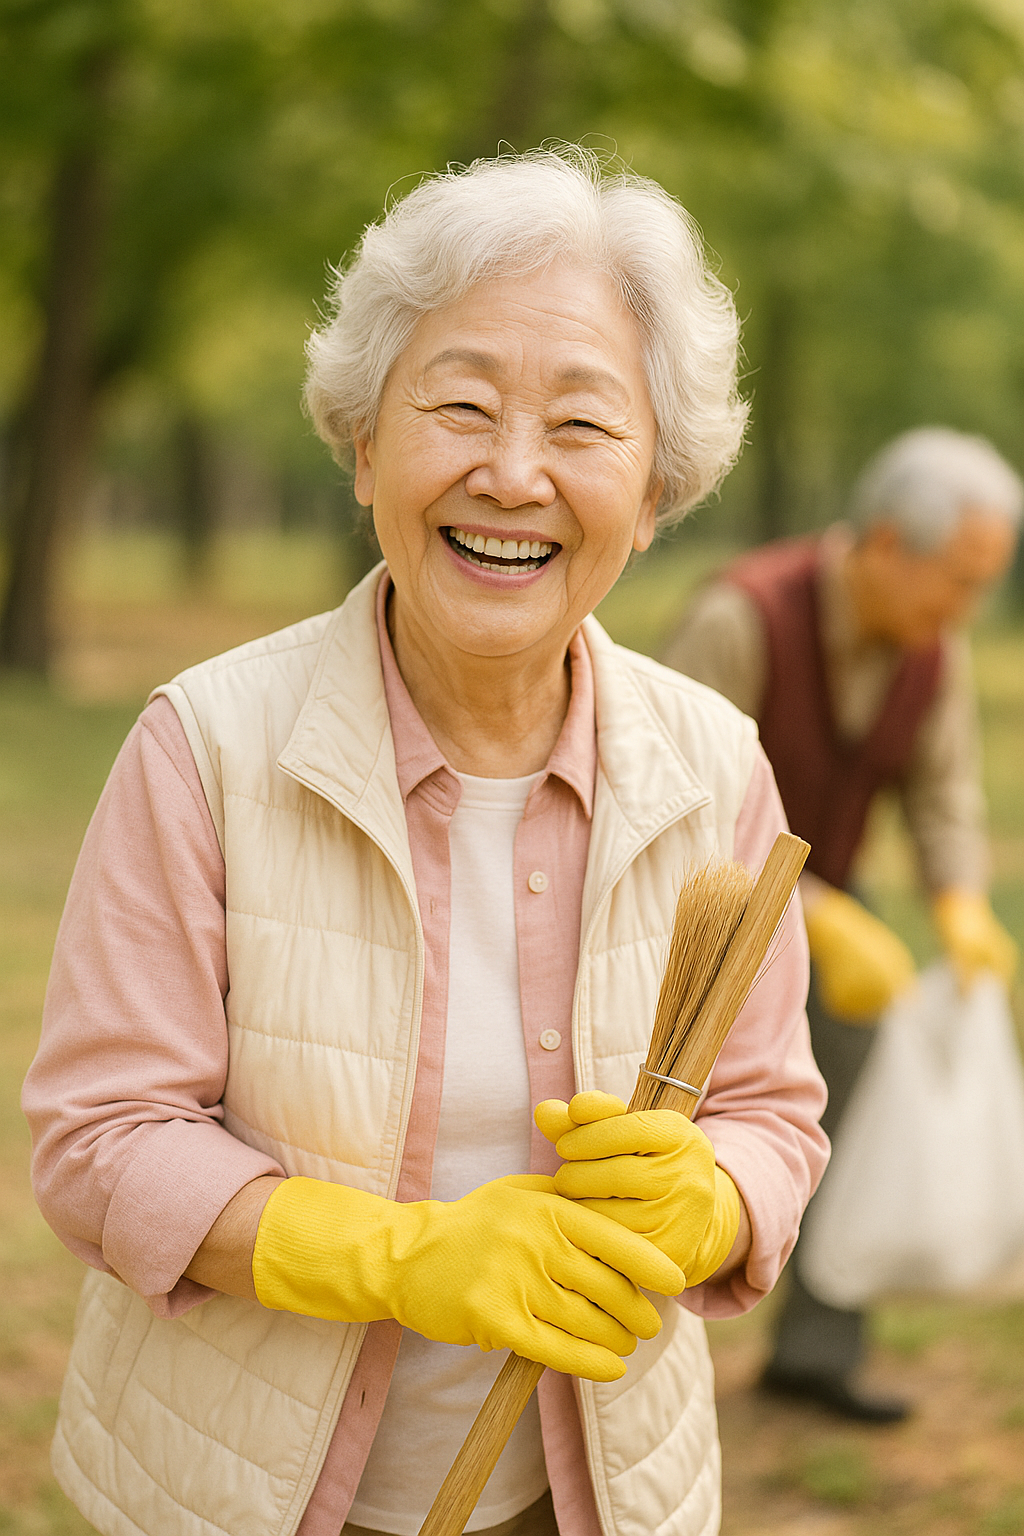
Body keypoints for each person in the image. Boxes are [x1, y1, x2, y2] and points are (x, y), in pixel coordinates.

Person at [23, 148, 828, 1536]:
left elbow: (774, 1116)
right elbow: (102, 1143)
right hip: (232, 1497)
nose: (511, 474)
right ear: (363, 444)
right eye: (458, 405)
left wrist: (713, 1200)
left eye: (581, 426)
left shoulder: (716, 766)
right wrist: (402, 1256)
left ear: (654, 495)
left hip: (585, 1498)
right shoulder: (204, 746)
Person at [661, 426, 1022, 1424]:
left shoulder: (928, 652)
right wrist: (806, 910)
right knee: (676, 1125)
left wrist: (958, 901)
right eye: (955, 580)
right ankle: (641, 1357)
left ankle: (814, 1350)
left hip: (825, 910)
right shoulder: (741, 618)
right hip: (691, 910)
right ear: (882, 546)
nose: (965, 609)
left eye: (982, 586)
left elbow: (944, 793)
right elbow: (670, 804)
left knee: (846, 1101)